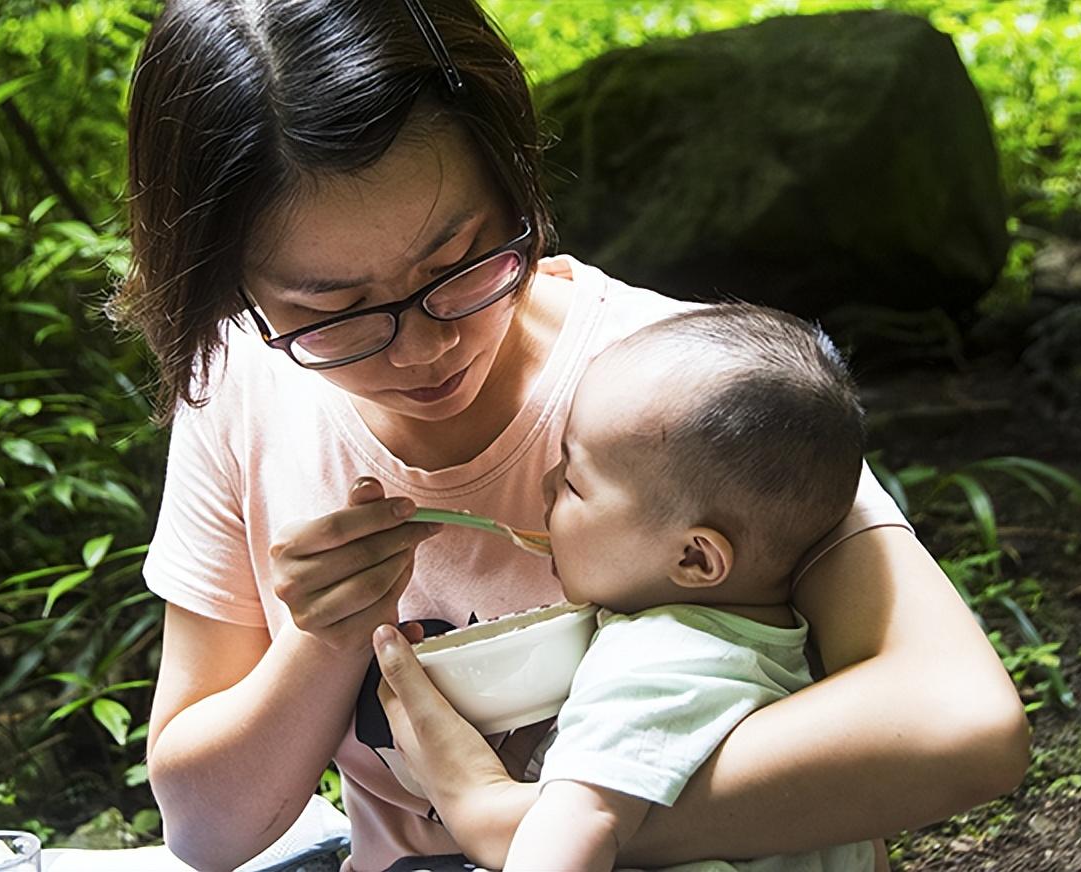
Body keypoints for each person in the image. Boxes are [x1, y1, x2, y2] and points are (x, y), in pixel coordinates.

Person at [116, 1, 1029, 871]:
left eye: (460, 261)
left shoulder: (677, 394)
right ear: (230, 290)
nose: (429, 346)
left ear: (514, 181)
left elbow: (960, 725)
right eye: (335, 314)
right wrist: (323, 641)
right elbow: (206, 830)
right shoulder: (246, 386)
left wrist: (525, 822)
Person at [425, 303, 877, 872]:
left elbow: (579, 823)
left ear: (694, 557)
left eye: (572, 482)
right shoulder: (793, 646)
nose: (543, 487)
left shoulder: (650, 665)